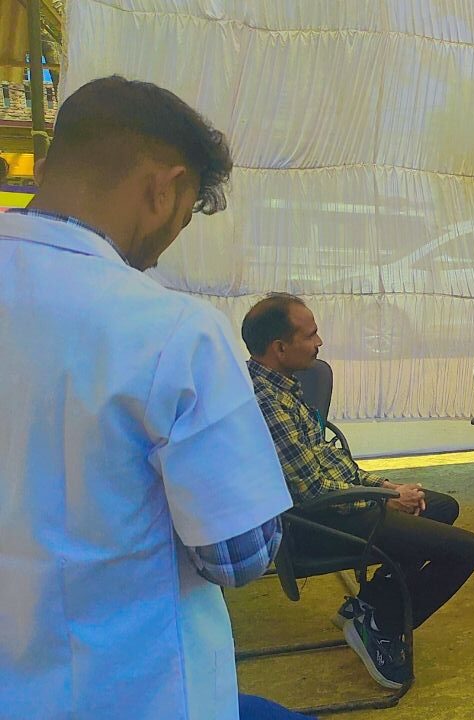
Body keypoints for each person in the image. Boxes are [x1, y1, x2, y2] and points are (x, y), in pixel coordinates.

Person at [0, 76, 294, 719]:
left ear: (48, 169)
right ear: (163, 190)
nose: (164, 249)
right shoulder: (172, 332)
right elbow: (239, 554)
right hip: (135, 689)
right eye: (183, 220)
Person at [242, 294, 474, 690]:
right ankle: (381, 625)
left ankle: (370, 604)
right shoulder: (265, 403)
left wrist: (385, 487)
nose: (319, 342)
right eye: (310, 335)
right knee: (466, 549)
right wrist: (385, 499)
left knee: (439, 506)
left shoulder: (279, 384)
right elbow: (313, 491)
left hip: (330, 507)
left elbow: (324, 459)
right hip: (314, 524)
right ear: (279, 348)